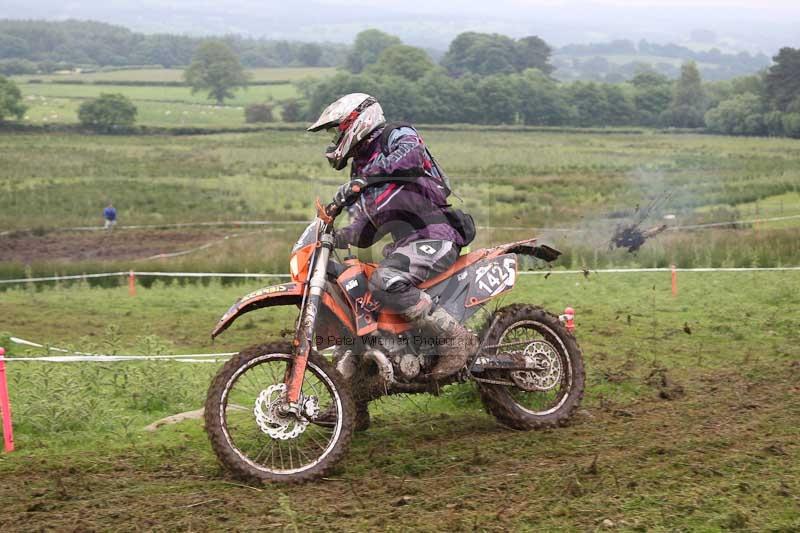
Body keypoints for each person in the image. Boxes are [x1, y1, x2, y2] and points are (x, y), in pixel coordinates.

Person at [308, 93, 478, 380]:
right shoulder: (360, 168)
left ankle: (456, 339)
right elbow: (366, 230)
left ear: (357, 121)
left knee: (385, 280)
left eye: (337, 131)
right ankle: (357, 383)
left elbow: (410, 156)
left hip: (435, 235)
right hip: (405, 246)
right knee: (355, 289)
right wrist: (337, 236)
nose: (335, 139)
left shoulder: (396, 134)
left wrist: (364, 180)